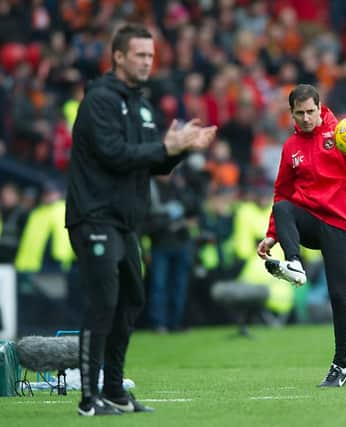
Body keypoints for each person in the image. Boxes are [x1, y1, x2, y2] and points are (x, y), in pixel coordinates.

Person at [65, 23, 216, 417]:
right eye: (140, 55)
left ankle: (114, 390)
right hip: (94, 215)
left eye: (151, 55)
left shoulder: (143, 106)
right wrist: (163, 146)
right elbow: (114, 153)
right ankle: (88, 398)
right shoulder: (99, 100)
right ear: (118, 56)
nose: (148, 62)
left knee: (131, 300)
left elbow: (154, 163)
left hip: (126, 223)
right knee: (104, 303)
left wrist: (179, 149)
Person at [256, 84, 346, 387]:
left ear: (320, 109)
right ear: (291, 114)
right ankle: (294, 262)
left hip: (341, 225)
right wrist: (272, 235)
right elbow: (282, 191)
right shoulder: (291, 147)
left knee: (338, 296)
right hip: (311, 223)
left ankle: (340, 366)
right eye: (299, 113)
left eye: (310, 112)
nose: (305, 118)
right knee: (283, 205)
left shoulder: (341, 135)